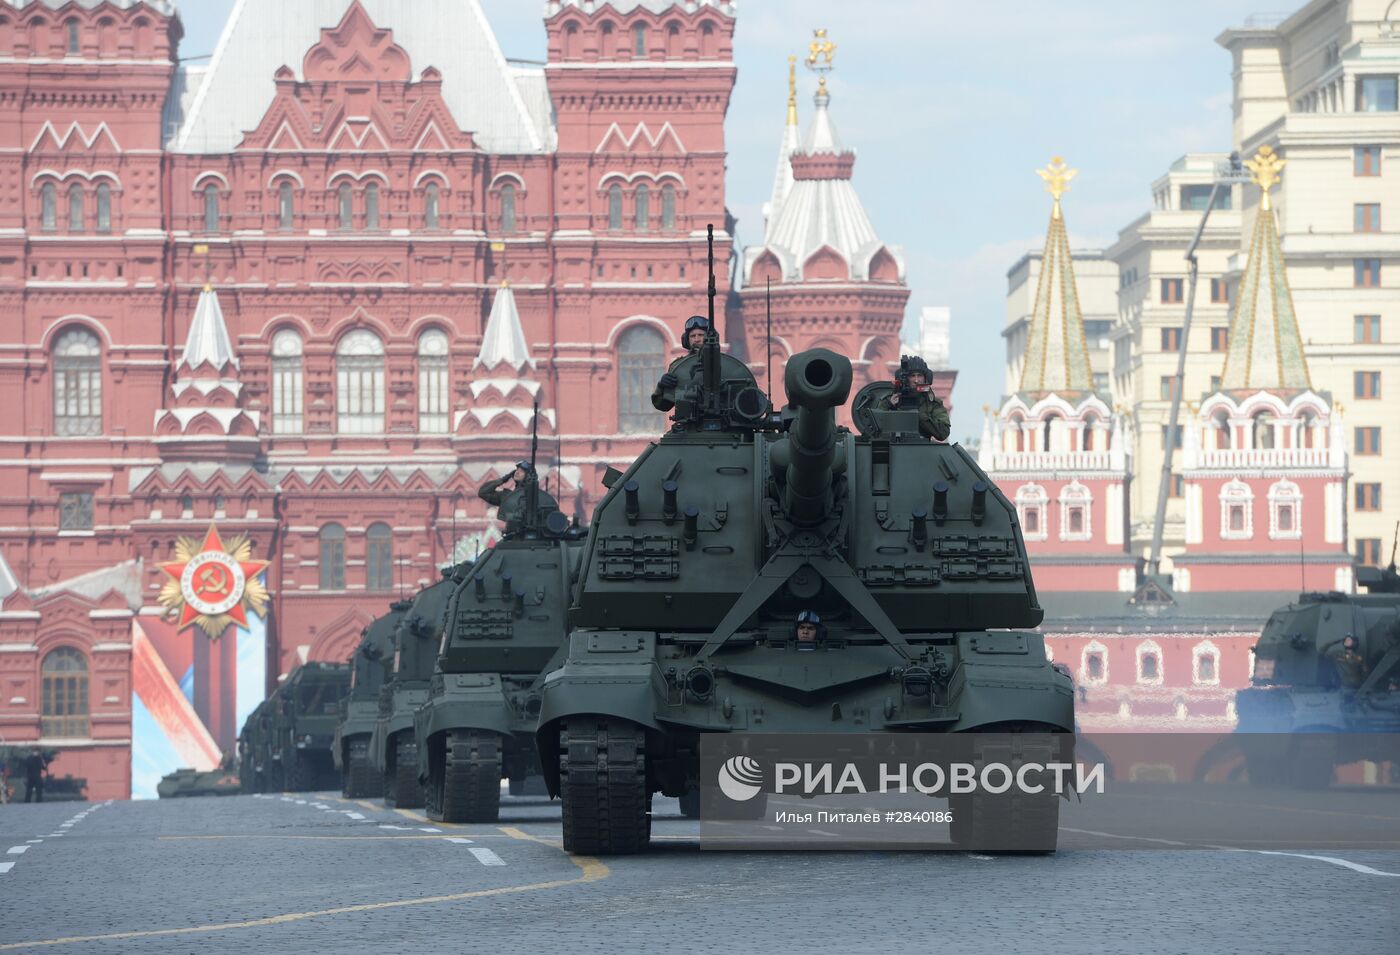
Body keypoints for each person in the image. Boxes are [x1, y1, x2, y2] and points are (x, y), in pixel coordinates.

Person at [876, 355, 951, 441]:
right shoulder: (890, 399)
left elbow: (943, 433)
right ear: (906, 378)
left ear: (926, 378)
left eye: (919, 376)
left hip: (921, 449)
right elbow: (875, 428)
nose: (916, 380)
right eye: (912, 376)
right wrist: (889, 406)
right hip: (894, 447)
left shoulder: (932, 403)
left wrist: (920, 416)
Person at [651, 315, 710, 413]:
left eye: (701, 335)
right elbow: (663, 405)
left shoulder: (724, 363)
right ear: (687, 339)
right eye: (692, 336)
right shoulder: (679, 366)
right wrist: (662, 386)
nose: (697, 339)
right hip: (689, 424)